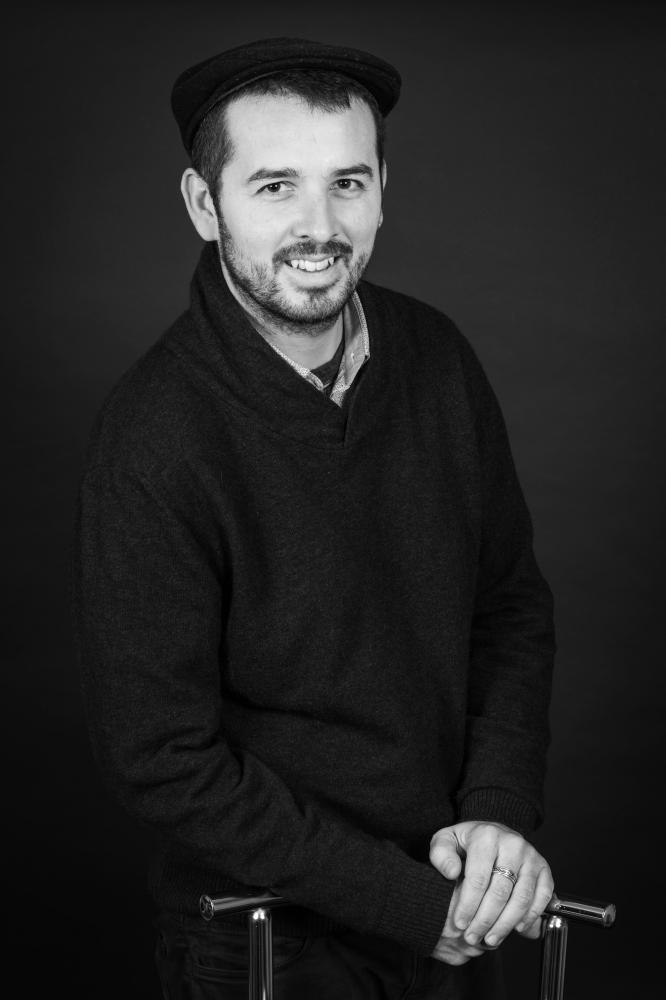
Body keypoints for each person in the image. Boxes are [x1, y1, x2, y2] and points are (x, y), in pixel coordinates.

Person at [73, 36, 556, 999]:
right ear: (204, 204)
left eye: (347, 184)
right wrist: (404, 903)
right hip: (266, 940)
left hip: (458, 902)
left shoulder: (438, 357)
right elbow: (163, 760)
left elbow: (507, 609)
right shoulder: (154, 435)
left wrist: (497, 814)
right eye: (275, 187)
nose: (320, 226)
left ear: (382, 190)